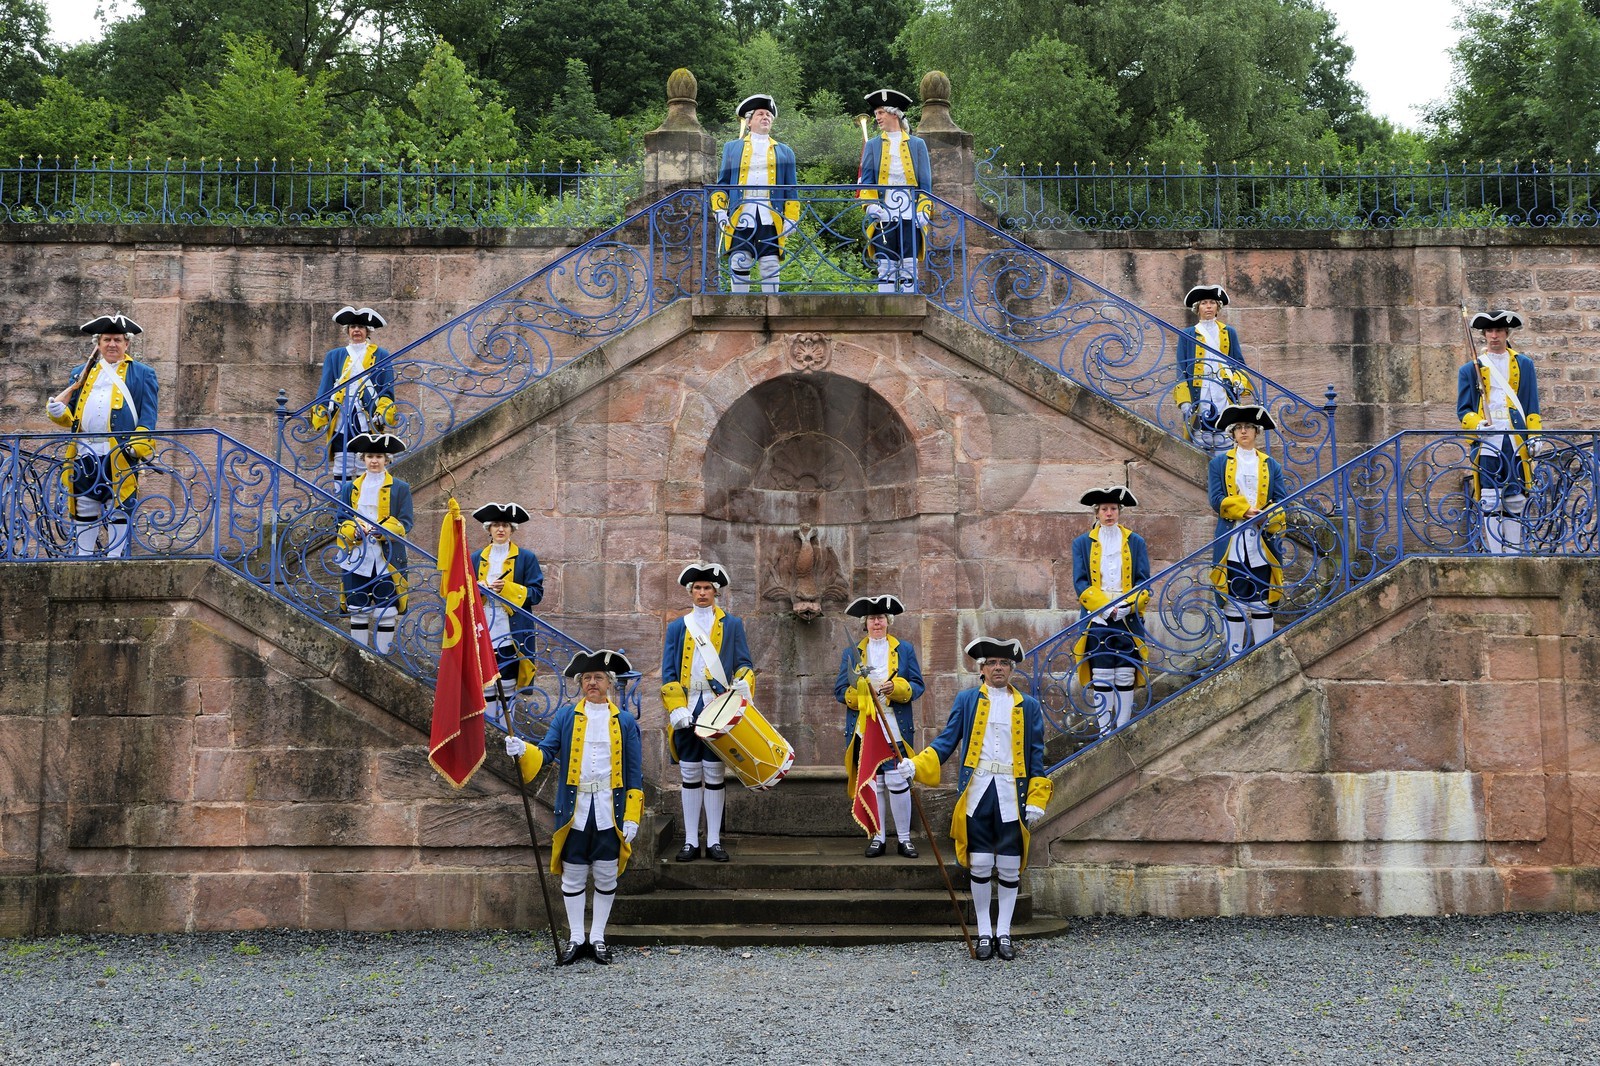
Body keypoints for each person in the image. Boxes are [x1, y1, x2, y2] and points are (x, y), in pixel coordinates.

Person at [899, 638, 1050, 962]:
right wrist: (916, 763)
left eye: (1004, 664)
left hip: (1012, 793)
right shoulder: (967, 700)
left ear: (1011, 670)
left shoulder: (1029, 706)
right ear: (981, 669)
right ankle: (984, 933)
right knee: (980, 864)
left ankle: (1004, 934)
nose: (999, 668)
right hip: (979, 792)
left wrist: (1037, 795)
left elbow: (1037, 756)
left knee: (1010, 868)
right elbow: (946, 741)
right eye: (992, 663)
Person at [505, 649, 642, 966]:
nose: (593, 683)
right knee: (574, 875)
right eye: (588, 678)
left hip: (610, 809)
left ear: (610, 683)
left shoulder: (625, 722)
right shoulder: (566, 716)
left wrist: (632, 815)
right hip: (575, 808)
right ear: (581, 683)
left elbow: (635, 774)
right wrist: (521, 750)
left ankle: (598, 937)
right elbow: (546, 753)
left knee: (607, 875)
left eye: (599, 678)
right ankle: (576, 938)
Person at [660, 562, 755, 863]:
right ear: (691, 592)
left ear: (716, 592)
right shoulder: (677, 626)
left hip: (718, 706)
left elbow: (744, 663)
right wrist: (675, 707)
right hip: (688, 707)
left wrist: (742, 682)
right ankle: (690, 841)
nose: (702, 593)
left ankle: (713, 840)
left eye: (707, 588)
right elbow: (668, 671)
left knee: (714, 773)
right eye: (698, 588)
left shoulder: (733, 624)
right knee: (690, 773)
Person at [46, 313, 160, 557]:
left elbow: (148, 418)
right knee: (84, 503)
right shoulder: (81, 373)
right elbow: (71, 416)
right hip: (83, 451)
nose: (112, 344)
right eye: (107, 339)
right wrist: (57, 411)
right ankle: (83, 557)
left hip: (119, 453)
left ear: (126, 344)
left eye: (117, 340)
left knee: (119, 504)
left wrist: (136, 446)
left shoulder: (142, 374)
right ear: (98, 344)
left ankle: (115, 557)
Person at [834, 593, 925, 858]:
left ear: (888, 621)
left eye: (881, 618)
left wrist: (895, 687)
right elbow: (840, 690)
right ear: (865, 623)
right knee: (876, 783)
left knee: (898, 781)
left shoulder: (904, 650)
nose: (877, 623)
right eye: (873, 618)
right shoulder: (852, 653)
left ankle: (905, 839)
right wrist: (861, 693)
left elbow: (918, 685)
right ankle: (878, 837)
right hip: (866, 726)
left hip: (895, 725)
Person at [1458, 309, 1543, 553]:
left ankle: (1514, 552)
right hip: (1488, 440)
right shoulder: (1470, 369)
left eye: (1499, 331)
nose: (1494, 336)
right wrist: (1477, 424)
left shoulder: (1523, 365)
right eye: (1489, 331)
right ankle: (1497, 552)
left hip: (1514, 438)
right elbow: (1463, 411)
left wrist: (1535, 434)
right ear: (1484, 334)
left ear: (1506, 333)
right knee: (1490, 496)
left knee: (1515, 497)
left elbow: (1531, 405)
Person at [1208, 405, 1287, 658]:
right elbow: (1216, 499)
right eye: (1239, 428)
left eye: (1249, 428)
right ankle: (1234, 656)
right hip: (1232, 538)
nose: (1244, 432)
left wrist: (1266, 517)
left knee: (1262, 596)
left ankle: (1264, 653)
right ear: (1233, 433)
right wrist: (1243, 511)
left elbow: (1282, 500)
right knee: (1235, 596)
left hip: (1262, 540)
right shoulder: (1219, 463)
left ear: (1256, 432)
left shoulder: (1270, 464)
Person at [1071, 486, 1151, 733]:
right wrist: (1105, 609)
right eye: (1104, 509)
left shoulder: (1135, 541)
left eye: (1113, 509)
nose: (1109, 514)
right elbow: (1081, 582)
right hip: (1099, 618)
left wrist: (1130, 606)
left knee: (1126, 672)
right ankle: (1105, 729)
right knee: (1102, 672)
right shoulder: (1082, 543)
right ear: (1096, 512)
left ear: (1119, 511)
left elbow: (1143, 580)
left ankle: (1123, 724)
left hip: (1128, 616)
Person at [711, 93, 800, 294]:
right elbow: (722, 184)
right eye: (760, 114)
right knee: (739, 261)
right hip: (740, 216)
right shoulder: (732, 148)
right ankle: (739, 308)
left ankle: (772, 309)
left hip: (771, 217)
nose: (766, 117)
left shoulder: (785, 152)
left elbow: (791, 190)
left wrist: (792, 218)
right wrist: (719, 211)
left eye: (769, 114)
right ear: (749, 121)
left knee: (770, 264)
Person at [334, 432, 412, 654]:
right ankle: (361, 654)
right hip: (356, 556)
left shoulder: (400, 488)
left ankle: (382, 657)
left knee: (386, 610)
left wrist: (381, 530)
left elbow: (406, 523)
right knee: (357, 608)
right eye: (369, 456)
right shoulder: (350, 488)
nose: (374, 460)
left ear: (387, 458)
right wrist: (356, 531)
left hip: (387, 558)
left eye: (378, 455)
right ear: (363, 459)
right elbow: (341, 520)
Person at [471, 502, 545, 731]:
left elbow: (536, 594)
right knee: (487, 682)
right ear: (489, 529)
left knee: (509, 679)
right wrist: (479, 589)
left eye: (505, 525)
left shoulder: (526, 558)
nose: (500, 530)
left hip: (511, 629)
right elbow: (464, 595)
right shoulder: (475, 558)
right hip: (484, 626)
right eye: (495, 525)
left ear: (512, 529)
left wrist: (508, 589)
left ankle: (507, 730)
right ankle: (491, 729)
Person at [857, 88, 932, 294]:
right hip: (884, 216)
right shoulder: (873, 145)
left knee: (909, 265)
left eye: (880, 113)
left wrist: (923, 209)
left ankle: (909, 306)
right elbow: (868, 182)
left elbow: (925, 184)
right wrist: (871, 205)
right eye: (876, 114)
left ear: (894, 113)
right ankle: (887, 307)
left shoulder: (918, 145)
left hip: (910, 214)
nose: (877, 118)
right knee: (886, 266)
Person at [312, 306, 396, 491]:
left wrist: (382, 411)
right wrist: (321, 411)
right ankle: (343, 506)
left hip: (367, 416)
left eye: (360, 327)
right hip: (341, 414)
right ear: (348, 331)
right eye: (352, 327)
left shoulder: (381, 355)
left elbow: (387, 390)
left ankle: (362, 507)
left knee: (364, 461)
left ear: (368, 331)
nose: (356, 330)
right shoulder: (335, 356)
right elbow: (325, 387)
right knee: (342, 462)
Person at [1173, 284, 1253, 458]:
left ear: (1218, 307)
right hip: (1199, 391)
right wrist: (1184, 400)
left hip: (1223, 389)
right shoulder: (1188, 334)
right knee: (1201, 438)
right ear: (1197, 308)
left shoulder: (1228, 332)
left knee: (1225, 436)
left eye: (1211, 302)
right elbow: (1181, 368)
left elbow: (1238, 362)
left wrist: (1239, 381)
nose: (1208, 306)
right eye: (1203, 303)